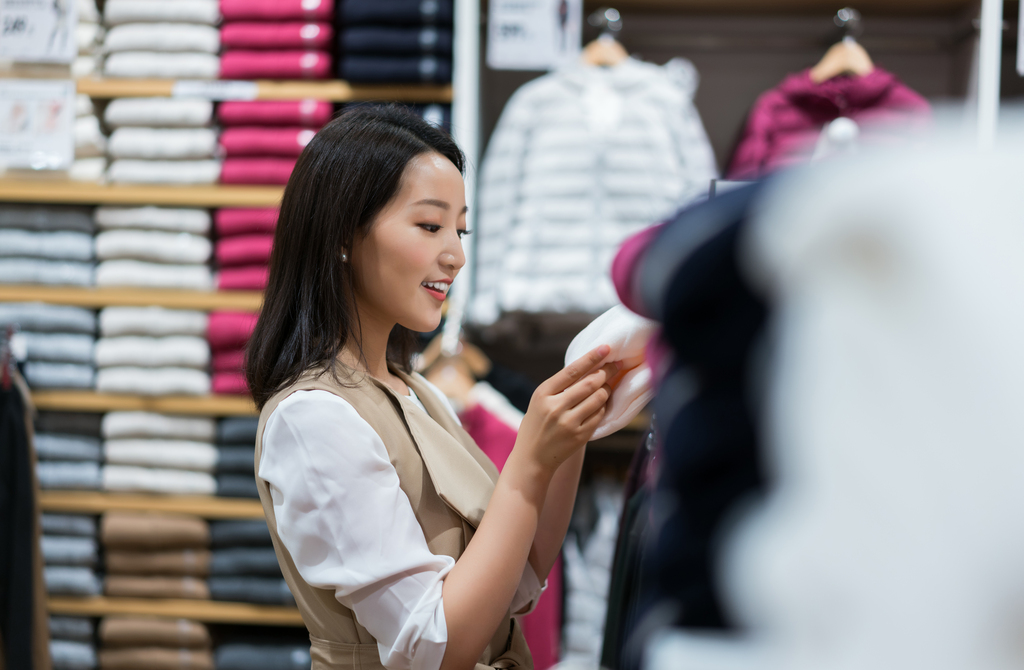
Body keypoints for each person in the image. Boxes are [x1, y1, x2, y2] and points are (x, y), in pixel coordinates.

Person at [245, 105, 618, 670]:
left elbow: (518, 583)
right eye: (429, 226)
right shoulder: (313, 418)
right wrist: (530, 461)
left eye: (460, 229)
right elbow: (433, 648)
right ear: (345, 232)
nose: (457, 256)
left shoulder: (417, 392)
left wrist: (570, 436)